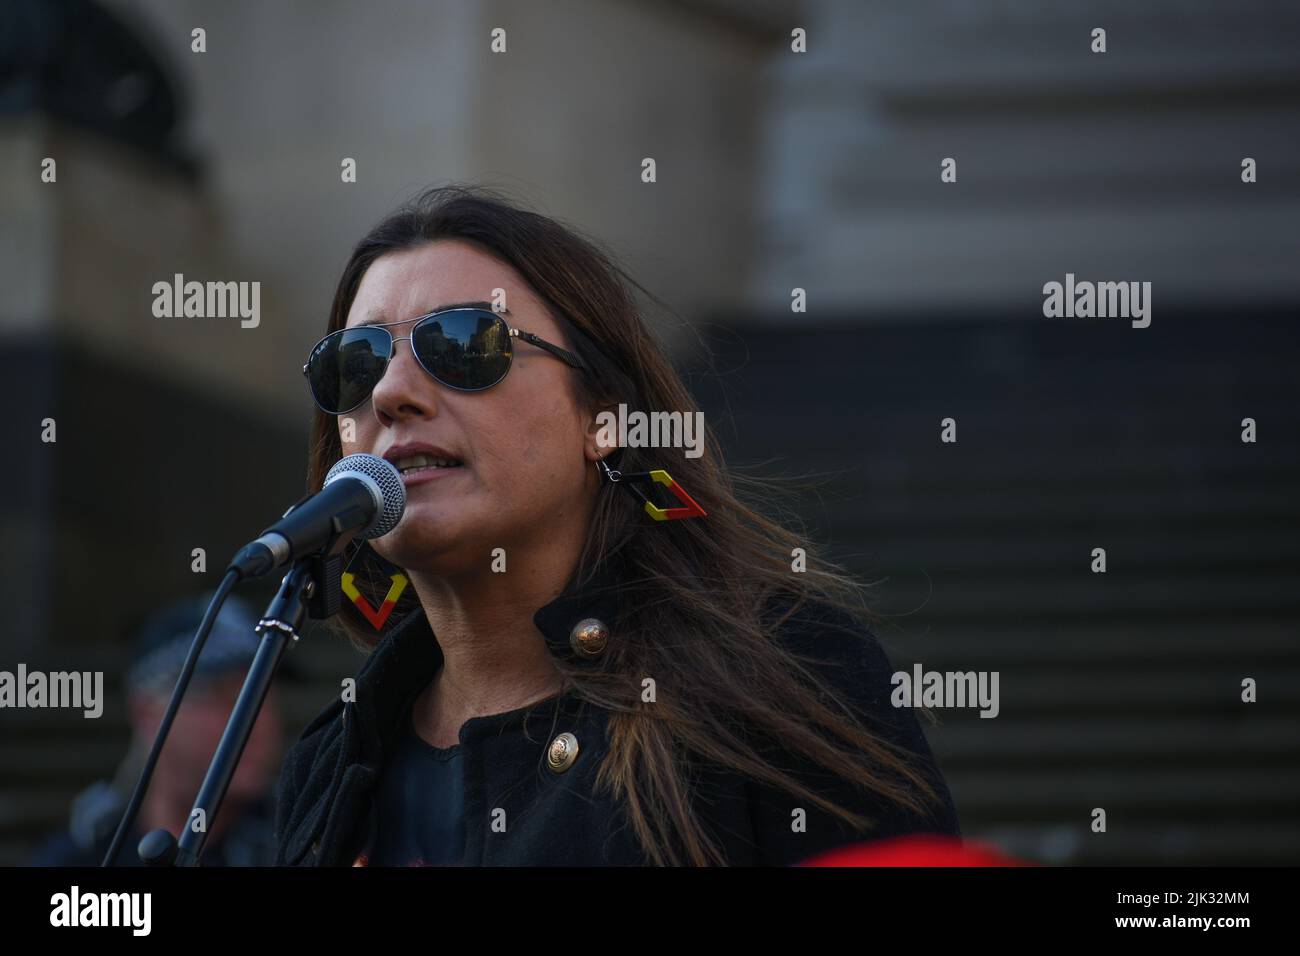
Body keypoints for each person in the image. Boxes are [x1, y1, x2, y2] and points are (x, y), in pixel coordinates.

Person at [275, 183, 961, 867]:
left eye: (463, 344)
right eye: (355, 363)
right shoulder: (332, 765)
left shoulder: (783, 675)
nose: (391, 393)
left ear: (602, 417)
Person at [31, 593, 283, 866]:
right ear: (147, 714)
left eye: (265, 697)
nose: (260, 721)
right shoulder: (84, 855)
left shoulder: (299, 844)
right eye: (225, 698)